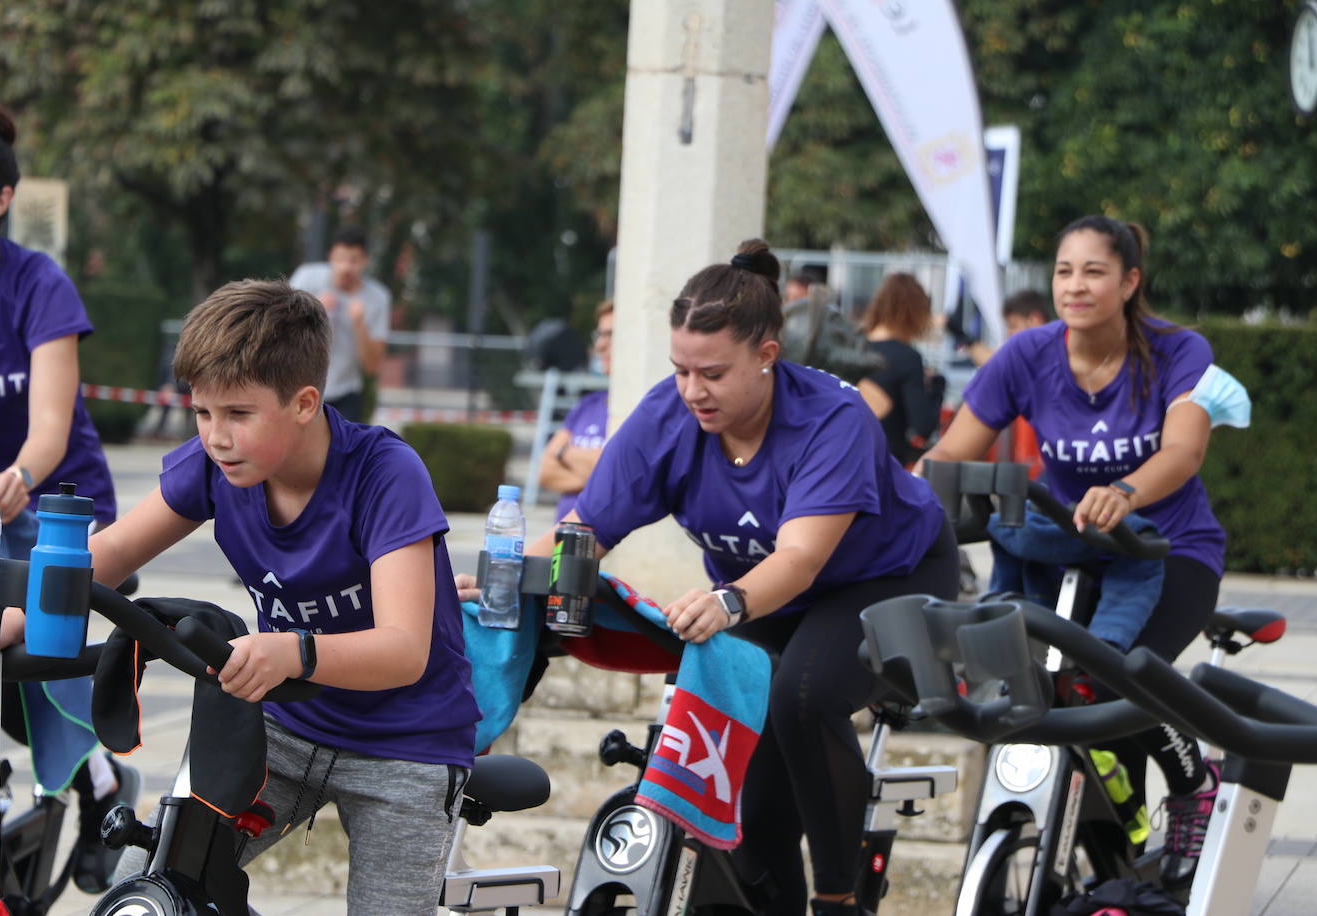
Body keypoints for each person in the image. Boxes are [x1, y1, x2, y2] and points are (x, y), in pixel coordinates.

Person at [467, 240, 959, 916]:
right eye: (681, 371)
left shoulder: (833, 418)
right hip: (764, 598)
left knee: (803, 697)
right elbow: (584, 532)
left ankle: (840, 898)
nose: (693, 391)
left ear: (767, 354)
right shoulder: (669, 415)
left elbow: (801, 559)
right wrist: (504, 578)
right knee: (747, 813)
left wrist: (726, 602)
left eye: (713, 374)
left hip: (884, 579)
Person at [8, 279, 478, 912]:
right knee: (144, 888)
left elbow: (403, 652)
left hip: (407, 742)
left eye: (237, 414)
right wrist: (18, 612)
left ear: (305, 402)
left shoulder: (384, 473)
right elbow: (111, 555)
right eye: (202, 413)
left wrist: (294, 652)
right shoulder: (216, 467)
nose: (215, 436)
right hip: (283, 723)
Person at [919, 215, 1232, 888]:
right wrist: (898, 498)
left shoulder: (1178, 351)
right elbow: (951, 456)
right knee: (1063, 701)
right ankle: (1112, 862)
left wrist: (1126, 489)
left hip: (1167, 549)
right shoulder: (1028, 355)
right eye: (1064, 271)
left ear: (1129, 282)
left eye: (1094, 271)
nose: (1076, 285)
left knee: (1120, 677)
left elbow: (1184, 449)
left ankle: (1192, 785)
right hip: (1069, 549)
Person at [0, 102, 141, 894]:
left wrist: (16, 477)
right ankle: (92, 784)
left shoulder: (36, 283)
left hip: (60, 509)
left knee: (31, 637)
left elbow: (49, 428)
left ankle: (100, 782)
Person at [289, 226, 390, 422]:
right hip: (300, 386)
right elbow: (277, 329)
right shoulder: (306, 278)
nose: (346, 267)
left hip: (346, 393)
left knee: (342, 452)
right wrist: (313, 310)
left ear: (365, 261)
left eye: (354, 261)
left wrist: (360, 325)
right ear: (331, 257)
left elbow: (372, 366)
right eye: (340, 259)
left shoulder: (378, 298)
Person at [537, 300, 613, 521]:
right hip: (562, 542)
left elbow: (619, 477)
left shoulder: (643, 409)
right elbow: (545, 471)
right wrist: (599, 476)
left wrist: (566, 454)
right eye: (599, 335)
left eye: (610, 335)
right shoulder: (587, 405)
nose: (600, 345)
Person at [856, 272, 941, 464]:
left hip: (841, 459)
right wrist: (937, 387)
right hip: (885, 465)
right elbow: (923, 426)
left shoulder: (853, 345)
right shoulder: (907, 357)